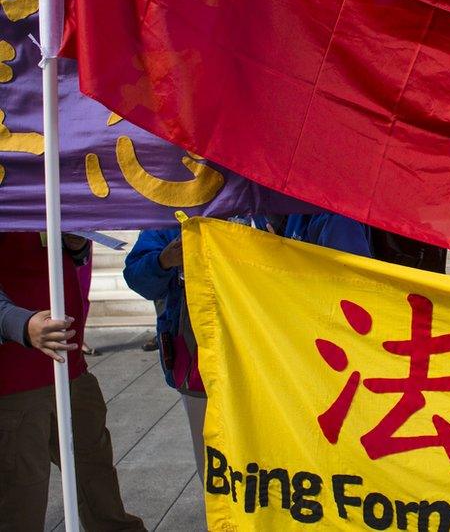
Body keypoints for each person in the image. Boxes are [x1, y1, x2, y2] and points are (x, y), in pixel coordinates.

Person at [123, 212, 371, 483]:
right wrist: (164, 260)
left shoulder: (290, 212)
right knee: (215, 464)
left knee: (287, 465)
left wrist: (285, 259)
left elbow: (354, 281)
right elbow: (137, 277)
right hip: (201, 365)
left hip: (284, 366)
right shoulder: (171, 217)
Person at [0, 232, 145, 530]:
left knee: (97, 480)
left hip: (71, 372)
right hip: (15, 383)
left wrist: (76, 244)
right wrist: (23, 326)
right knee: (22, 500)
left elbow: (66, 258)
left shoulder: (44, 187)